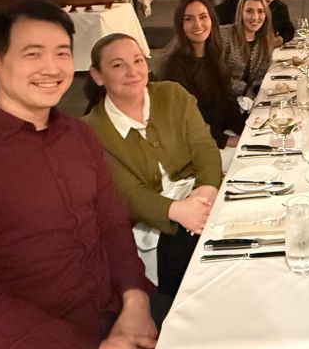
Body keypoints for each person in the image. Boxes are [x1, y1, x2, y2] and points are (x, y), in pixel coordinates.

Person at [0, 1, 156, 348]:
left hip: (120, 315)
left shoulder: (80, 136)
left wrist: (136, 300)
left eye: (62, 53)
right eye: (33, 54)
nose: (51, 68)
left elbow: (112, 226)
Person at [83, 33, 223, 298]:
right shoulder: (90, 130)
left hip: (201, 196)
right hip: (154, 220)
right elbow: (127, 193)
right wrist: (178, 210)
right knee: (195, 258)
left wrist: (206, 190)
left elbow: (204, 147)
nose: (132, 71)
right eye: (117, 65)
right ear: (97, 75)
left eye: (137, 61)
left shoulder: (173, 94)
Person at [161, 0, 246, 162]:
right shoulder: (174, 66)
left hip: (217, 134)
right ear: (180, 25)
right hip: (195, 146)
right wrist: (227, 141)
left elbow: (226, 101)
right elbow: (184, 121)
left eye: (203, 17)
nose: (197, 24)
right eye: (189, 19)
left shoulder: (213, 54)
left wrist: (245, 131)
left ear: (212, 20)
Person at [220, 0, 275, 100]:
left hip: (248, 102)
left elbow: (259, 76)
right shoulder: (224, 35)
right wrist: (245, 90)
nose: (255, 17)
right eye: (249, 11)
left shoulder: (264, 40)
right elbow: (216, 75)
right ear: (241, 13)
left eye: (260, 11)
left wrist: (256, 90)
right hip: (223, 100)